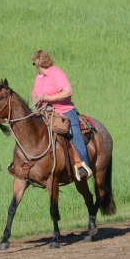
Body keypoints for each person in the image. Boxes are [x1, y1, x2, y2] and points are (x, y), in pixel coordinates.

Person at [30, 50, 92, 181]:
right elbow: (34, 93)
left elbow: (68, 91)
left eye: (34, 64)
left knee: (74, 134)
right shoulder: (38, 78)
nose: (35, 66)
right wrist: (36, 102)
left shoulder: (56, 73)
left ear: (39, 64)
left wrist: (50, 98)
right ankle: (25, 164)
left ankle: (83, 166)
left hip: (63, 111)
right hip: (44, 112)